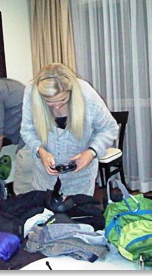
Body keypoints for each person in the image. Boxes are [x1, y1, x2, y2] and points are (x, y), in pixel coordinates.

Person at [20, 63, 119, 196]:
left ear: (71, 91)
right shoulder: (32, 92)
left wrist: (91, 153)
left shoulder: (86, 94)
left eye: (62, 100)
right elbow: (27, 131)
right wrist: (40, 151)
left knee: (77, 214)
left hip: (80, 177)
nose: (56, 107)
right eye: (49, 102)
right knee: (46, 214)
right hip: (44, 177)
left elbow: (109, 129)